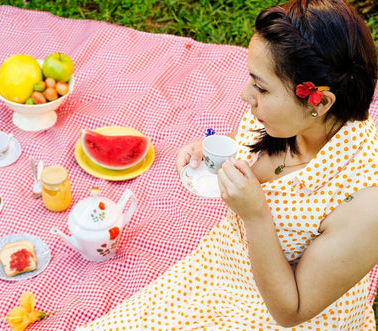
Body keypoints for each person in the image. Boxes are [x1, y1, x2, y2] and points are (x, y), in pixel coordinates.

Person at [78, 0, 378, 329]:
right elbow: (250, 145)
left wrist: (256, 213)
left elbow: (291, 311)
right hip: (221, 268)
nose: (245, 95)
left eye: (261, 87)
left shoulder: (367, 207)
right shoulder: (284, 121)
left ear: (318, 102)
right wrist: (209, 153)